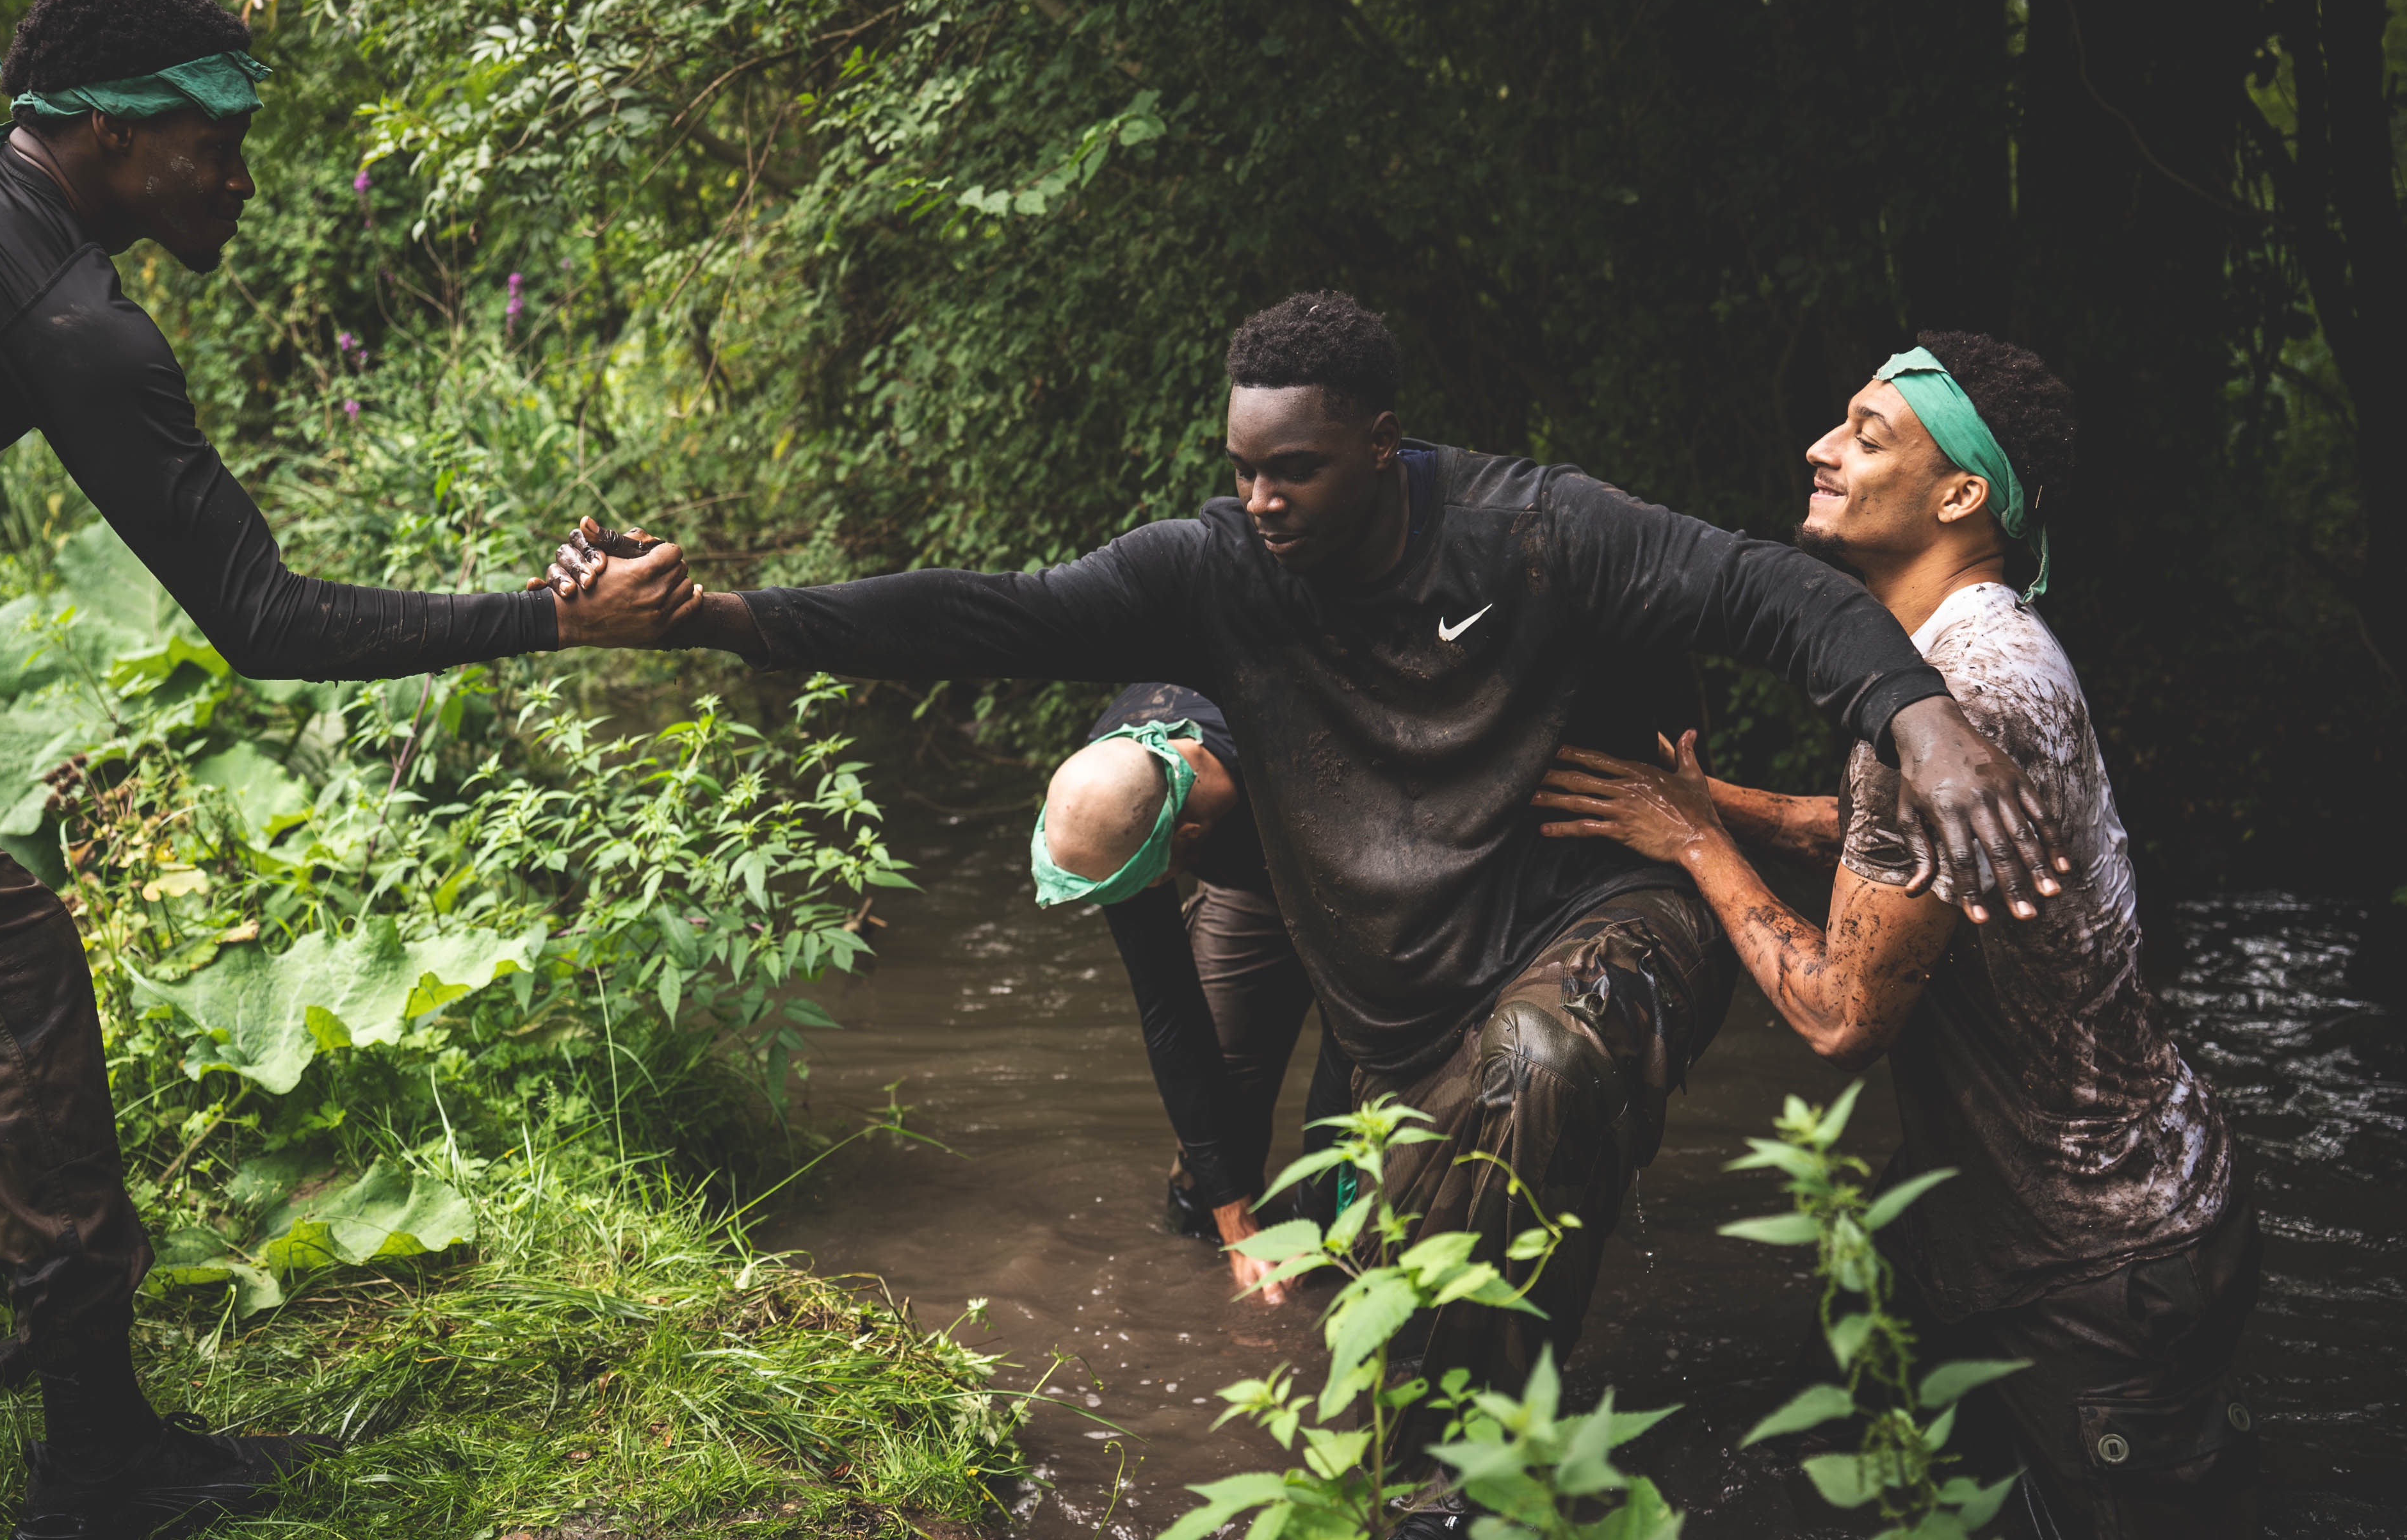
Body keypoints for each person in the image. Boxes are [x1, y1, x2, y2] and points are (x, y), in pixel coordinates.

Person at [546, 291, 2072, 1532]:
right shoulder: (1212, 572)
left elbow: (1759, 587)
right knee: (1396, 1300)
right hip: (1402, 975)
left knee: (1548, 1063)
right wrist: (714, 617)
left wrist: (1915, 716)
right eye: (1241, 469)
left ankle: (1460, 1499)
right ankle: (1467, 1454)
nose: (1261, 499)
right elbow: (980, 607)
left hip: (1600, 895)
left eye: (1296, 469)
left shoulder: (1532, 527)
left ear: (1381, 447)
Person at [0, 0, 695, 1536]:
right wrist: (554, 623)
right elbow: (261, 614)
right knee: (5, 971)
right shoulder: (71, 316)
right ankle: (103, 1468)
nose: (241, 168)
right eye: (213, 132)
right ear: (100, 136)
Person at [1532, 334, 2251, 1539]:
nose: (1821, 449)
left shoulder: (1957, 703)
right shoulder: (1969, 648)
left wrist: (1693, 845)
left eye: (1868, 437)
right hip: (2070, 1224)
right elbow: (1884, 847)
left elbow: (1839, 1015)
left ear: (1962, 494)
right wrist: (1719, 805)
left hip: (2102, 1264)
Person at [1032, 681, 1331, 1306]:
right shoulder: (1113, 793)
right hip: (1246, 883)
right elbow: (1169, 1012)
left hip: (1346, 862)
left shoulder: (1301, 747)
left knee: (1352, 1175)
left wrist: (1318, 1212)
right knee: (1209, 1157)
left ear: (1188, 839)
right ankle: (1213, 1276)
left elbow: (1357, 1032)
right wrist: (1230, 1213)